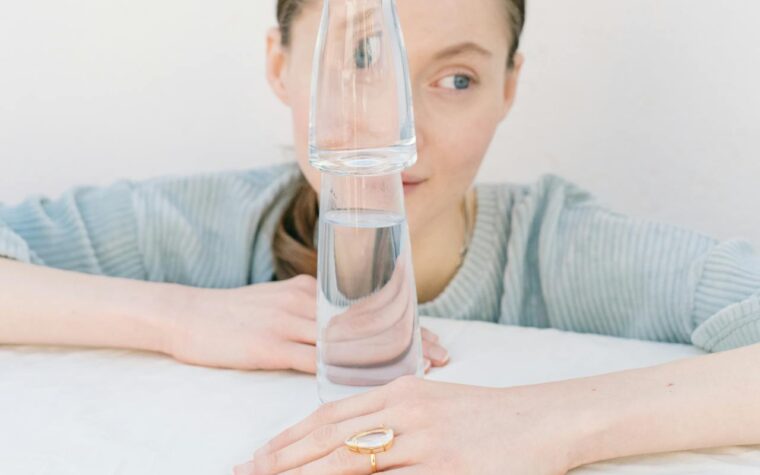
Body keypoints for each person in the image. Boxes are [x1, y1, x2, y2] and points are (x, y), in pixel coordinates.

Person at [1, 0, 759, 473]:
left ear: (508, 87)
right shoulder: (200, 225)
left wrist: (543, 420)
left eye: (456, 79)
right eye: (361, 59)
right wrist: (181, 315)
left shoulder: (566, 250)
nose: (401, 133)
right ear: (281, 66)